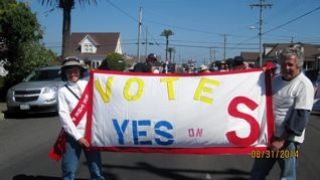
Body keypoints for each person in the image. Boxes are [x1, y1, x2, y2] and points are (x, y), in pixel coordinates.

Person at [250, 45, 314, 180]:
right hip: (268, 137)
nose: (286, 68)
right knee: (257, 172)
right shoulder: (276, 80)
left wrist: (281, 140)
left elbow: (300, 118)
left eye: (290, 64)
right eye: (283, 64)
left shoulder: (304, 85)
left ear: (299, 65)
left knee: (287, 176)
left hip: (287, 142)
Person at [58, 57, 105, 180]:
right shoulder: (62, 91)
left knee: (96, 169)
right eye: (69, 71)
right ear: (65, 73)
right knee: (69, 169)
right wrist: (78, 137)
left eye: (75, 70)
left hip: (91, 133)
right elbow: (64, 115)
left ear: (80, 71)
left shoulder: (88, 85)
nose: (73, 74)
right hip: (72, 135)